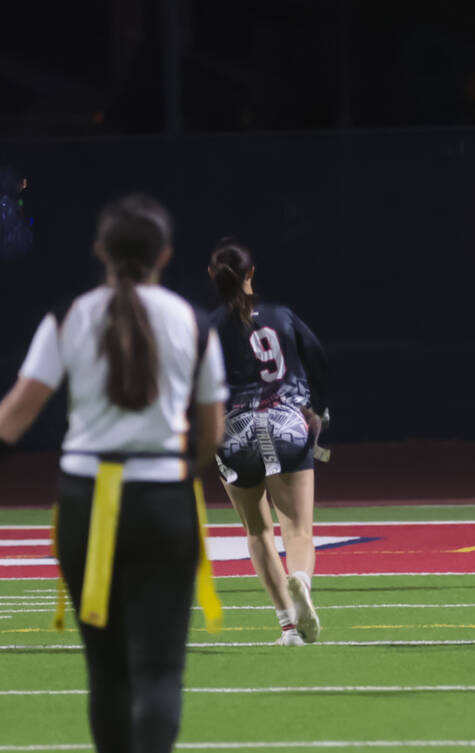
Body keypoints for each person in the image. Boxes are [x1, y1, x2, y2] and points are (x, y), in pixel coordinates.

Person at [0, 194, 227, 751]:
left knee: (107, 671)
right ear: (163, 255)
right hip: (164, 498)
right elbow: (213, 427)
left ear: (100, 251)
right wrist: (183, 468)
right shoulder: (190, 320)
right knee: (160, 671)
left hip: (88, 499)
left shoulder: (71, 316)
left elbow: (19, 407)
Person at [208, 237, 328, 645]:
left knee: (257, 531)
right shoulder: (280, 314)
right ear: (250, 274)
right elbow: (319, 358)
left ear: (214, 277)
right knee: (298, 529)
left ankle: (288, 627)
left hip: (235, 430)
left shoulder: (207, 328)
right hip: (286, 423)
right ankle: (301, 585)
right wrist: (318, 409)